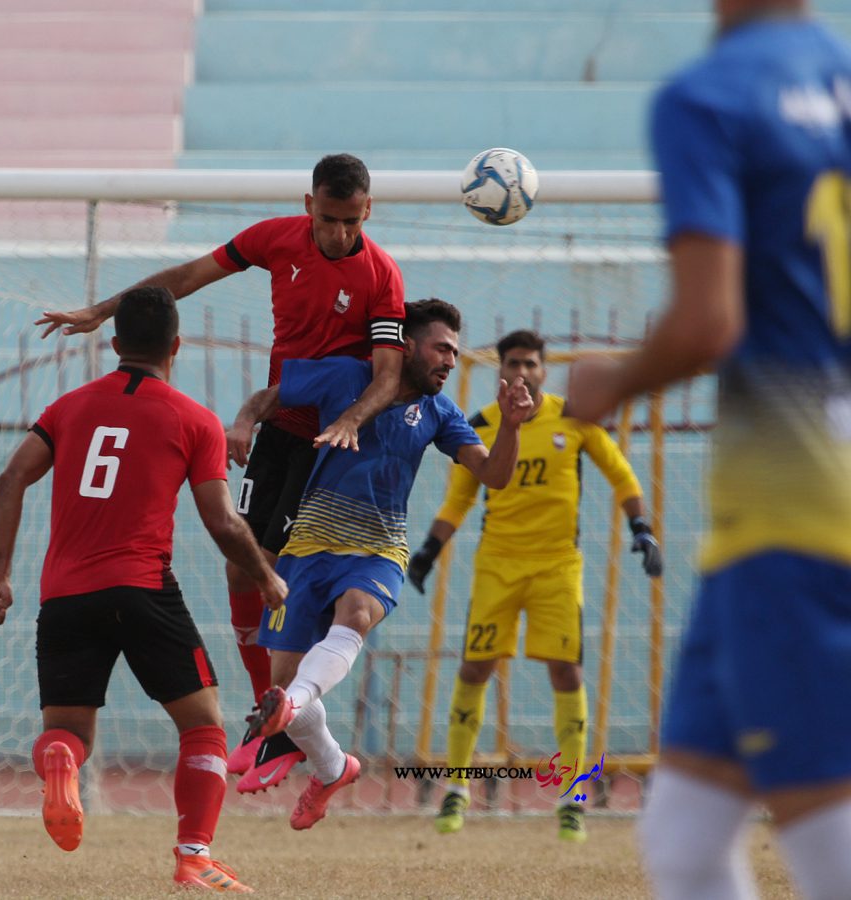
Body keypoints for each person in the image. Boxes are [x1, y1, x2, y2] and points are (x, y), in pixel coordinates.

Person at [566, 2, 851, 896]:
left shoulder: (711, 97)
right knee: (686, 833)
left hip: (796, 508)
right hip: (771, 521)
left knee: (827, 838)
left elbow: (707, 321)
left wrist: (611, 382)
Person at [34, 154, 406, 784]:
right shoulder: (273, 238)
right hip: (280, 428)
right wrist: (102, 311)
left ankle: (288, 724)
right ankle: (274, 719)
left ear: (367, 210)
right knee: (241, 566)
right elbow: (187, 277)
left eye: (349, 221)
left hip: (333, 445)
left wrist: (351, 422)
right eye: (327, 218)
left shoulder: (381, 277)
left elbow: (389, 375)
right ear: (308, 203)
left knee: (293, 578)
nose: (338, 233)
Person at [0, 286, 287, 892]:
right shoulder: (195, 420)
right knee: (203, 727)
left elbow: (11, 477)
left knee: (68, 732)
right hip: (144, 590)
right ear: (176, 346)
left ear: (114, 344)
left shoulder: (68, 408)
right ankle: (193, 855)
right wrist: (266, 575)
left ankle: (60, 762)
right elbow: (222, 522)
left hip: (64, 597)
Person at [230, 298, 534, 828]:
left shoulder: (440, 413)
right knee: (289, 676)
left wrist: (510, 426)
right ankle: (332, 768)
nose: (451, 361)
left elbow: (495, 475)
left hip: (379, 549)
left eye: (457, 353)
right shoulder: (346, 377)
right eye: (442, 348)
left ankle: (289, 703)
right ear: (408, 346)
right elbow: (268, 397)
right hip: (306, 548)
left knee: (356, 615)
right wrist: (241, 424)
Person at [406, 329, 661, 843]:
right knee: (475, 667)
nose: (521, 373)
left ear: (545, 370)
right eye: (513, 364)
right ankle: (456, 788)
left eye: (531, 364)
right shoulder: (480, 424)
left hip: (556, 567)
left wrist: (643, 530)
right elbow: (459, 500)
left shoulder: (575, 420)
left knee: (566, 672)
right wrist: (428, 553)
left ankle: (574, 797)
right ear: (501, 371)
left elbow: (622, 475)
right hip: (497, 566)